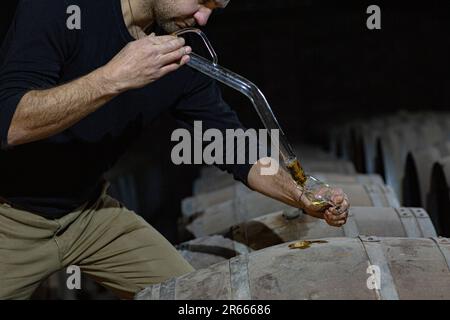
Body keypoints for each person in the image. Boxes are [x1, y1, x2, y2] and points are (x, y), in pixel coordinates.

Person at [0, 0, 349, 299]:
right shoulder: (60, 8)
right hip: (11, 218)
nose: (203, 18)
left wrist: (302, 195)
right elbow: (11, 124)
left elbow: (232, 145)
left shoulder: (182, 52)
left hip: (91, 213)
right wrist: (113, 78)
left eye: (214, 8)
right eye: (201, 1)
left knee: (192, 298)